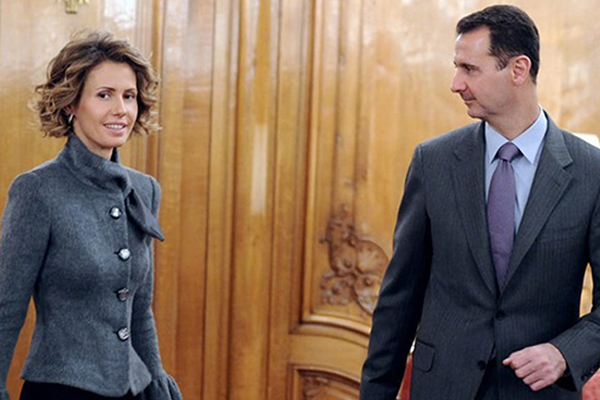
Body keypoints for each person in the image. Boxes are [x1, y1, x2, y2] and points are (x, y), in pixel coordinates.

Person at [360, 5, 600, 400]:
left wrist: (564, 353)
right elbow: (399, 300)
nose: (456, 84)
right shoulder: (432, 163)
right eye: (457, 68)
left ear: (518, 70)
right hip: (442, 387)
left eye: (469, 69)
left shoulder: (592, 172)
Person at [0, 31, 183, 400]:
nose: (121, 109)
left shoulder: (144, 189)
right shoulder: (37, 190)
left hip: (133, 389)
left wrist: (156, 378)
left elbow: (139, 307)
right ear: (71, 104)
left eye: (129, 96)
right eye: (104, 95)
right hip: (60, 390)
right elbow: (6, 305)